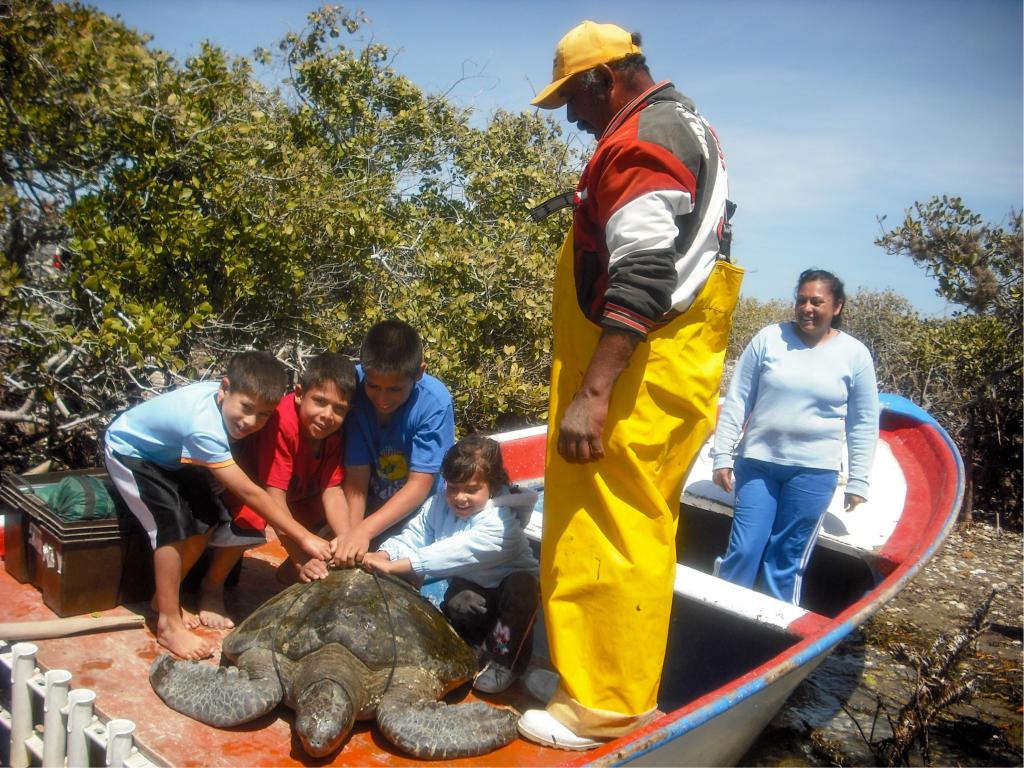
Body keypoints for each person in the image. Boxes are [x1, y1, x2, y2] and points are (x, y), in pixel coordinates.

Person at [518, 21, 743, 750]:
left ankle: (605, 709)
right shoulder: (685, 123)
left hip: (635, 370)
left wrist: (594, 392)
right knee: (622, 523)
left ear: (603, 80)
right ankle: (589, 679)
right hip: (662, 362)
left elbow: (644, 271)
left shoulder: (642, 140)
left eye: (574, 102)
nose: (574, 120)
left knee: (614, 531)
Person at [103, 351, 333, 660]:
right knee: (168, 525)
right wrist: (304, 538)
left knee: (206, 517)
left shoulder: (223, 402)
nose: (251, 422)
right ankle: (168, 624)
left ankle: (163, 599)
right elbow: (251, 493)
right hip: (131, 452)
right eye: (247, 408)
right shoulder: (203, 428)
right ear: (224, 389)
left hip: (169, 458)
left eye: (264, 414)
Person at [711, 269, 879, 604]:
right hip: (758, 463)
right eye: (802, 300)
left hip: (814, 472)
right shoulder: (769, 338)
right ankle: (719, 613)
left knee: (785, 558)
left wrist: (859, 480)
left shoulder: (854, 354)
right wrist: (722, 456)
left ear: (837, 307)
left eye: (817, 301)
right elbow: (738, 400)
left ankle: (774, 628)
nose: (807, 307)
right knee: (745, 548)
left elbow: (863, 421)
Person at [361, 435, 540, 694]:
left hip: (508, 591)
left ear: (493, 485)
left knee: (521, 589)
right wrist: (387, 553)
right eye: (453, 487)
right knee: (460, 602)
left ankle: (506, 662)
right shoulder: (439, 504)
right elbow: (417, 535)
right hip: (473, 585)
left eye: (471, 489)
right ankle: (474, 648)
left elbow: (452, 553)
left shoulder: (502, 525)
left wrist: (396, 567)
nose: (459, 497)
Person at [196, 352, 359, 629]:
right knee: (253, 516)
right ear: (299, 394)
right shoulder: (283, 422)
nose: (327, 415)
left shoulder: (334, 433)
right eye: (319, 402)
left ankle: (294, 571)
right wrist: (301, 556)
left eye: (339, 408)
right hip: (249, 489)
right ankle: (211, 587)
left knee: (346, 520)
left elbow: (332, 491)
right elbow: (272, 497)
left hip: (296, 493)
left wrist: (348, 541)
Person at [335, 320, 456, 566]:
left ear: (419, 372)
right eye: (373, 386)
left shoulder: (435, 402)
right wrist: (352, 534)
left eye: (395, 389)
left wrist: (364, 532)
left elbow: (419, 486)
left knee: (403, 571)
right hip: (369, 498)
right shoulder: (355, 387)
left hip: (420, 512)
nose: (382, 399)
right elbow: (356, 475)